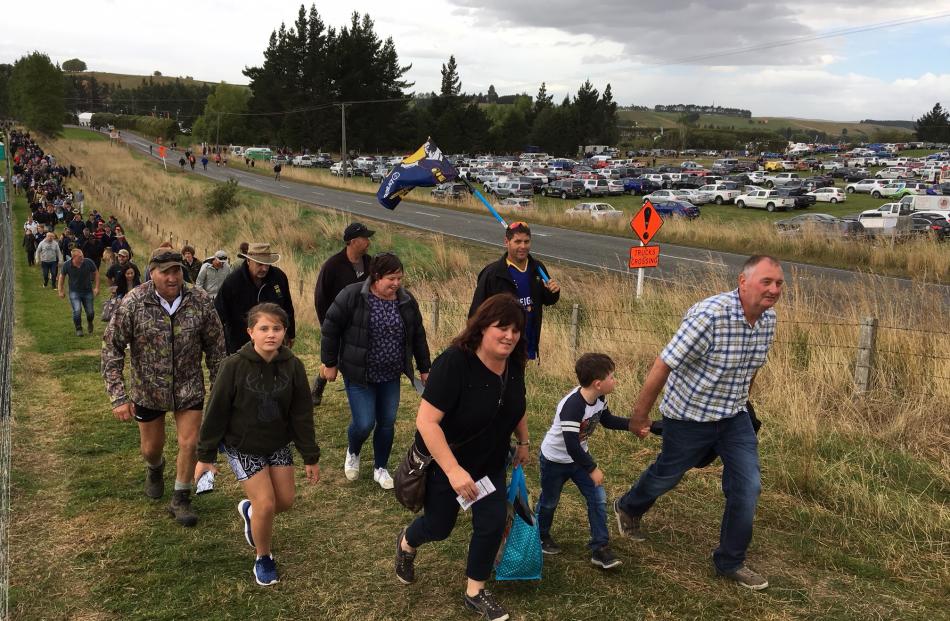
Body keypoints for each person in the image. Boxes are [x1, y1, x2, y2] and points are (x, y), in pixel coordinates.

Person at [614, 255, 784, 591]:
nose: (774, 289)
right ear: (743, 281)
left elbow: (752, 368)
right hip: (689, 417)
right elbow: (663, 364)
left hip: (733, 417)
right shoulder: (710, 316)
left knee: (747, 486)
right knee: (667, 476)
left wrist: (743, 405)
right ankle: (629, 507)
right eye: (766, 281)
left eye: (779, 283)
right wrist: (639, 416)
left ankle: (730, 561)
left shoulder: (768, 320)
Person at [395, 294, 530, 621]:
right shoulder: (454, 363)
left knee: (492, 522)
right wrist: (454, 470)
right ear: (482, 327)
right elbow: (426, 422)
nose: (509, 336)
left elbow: (514, 405)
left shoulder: (514, 363)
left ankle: (475, 591)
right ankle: (406, 545)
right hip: (448, 464)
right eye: (502, 328)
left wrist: (524, 440)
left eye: (515, 329)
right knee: (439, 527)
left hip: (490, 463)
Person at [194, 303, 320, 586]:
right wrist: (206, 455)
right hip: (242, 445)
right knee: (266, 504)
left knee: (284, 502)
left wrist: (310, 456)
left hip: (277, 444)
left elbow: (302, 414)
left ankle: (250, 513)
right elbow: (216, 412)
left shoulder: (293, 366)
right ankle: (263, 557)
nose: (271, 334)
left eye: (277, 328)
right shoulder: (233, 366)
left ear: (285, 332)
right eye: (264, 328)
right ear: (251, 332)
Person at [101, 248, 226, 527]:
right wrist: (119, 395)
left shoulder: (200, 300)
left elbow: (216, 347)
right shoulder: (135, 302)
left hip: (188, 387)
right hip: (148, 390)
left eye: (177, 271)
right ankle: (155, 469)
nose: (172, 277)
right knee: (151, 447)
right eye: (165, 272)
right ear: (152, 273)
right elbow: (112, 347)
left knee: (189, 441)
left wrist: (220, 387)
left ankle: (181, 497)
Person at [320, 253, 430, 489]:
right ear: (376, 277)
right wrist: (329, 362)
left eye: (400, 278)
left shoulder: (406, 300)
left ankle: (381, 468)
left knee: (387, 422)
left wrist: (424, 368)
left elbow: (418, 335)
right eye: (391, 278)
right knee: (364, 423)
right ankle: (353, 451)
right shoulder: (352, 295)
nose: (396, 284)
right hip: (360, 373)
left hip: (391, 374)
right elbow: (330, 328)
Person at [536, 353, 631, 569]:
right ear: (598, 383)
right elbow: (571, 445)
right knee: (549, 501)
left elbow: (607, 420)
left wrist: (632, 425)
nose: (615, 381)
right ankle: (540, 536)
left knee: (597, 498)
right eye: (612, 377)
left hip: (578, 459)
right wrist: (592, 468)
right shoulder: (572, 406)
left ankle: (600, 548)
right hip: (555, 460)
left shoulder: (598, 398)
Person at [469, 221, 560, 361]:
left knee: (517, 381)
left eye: (526, 241)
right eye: (517, 241)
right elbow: (475, 313)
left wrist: (553, 292)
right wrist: (476, 346)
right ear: (507, 242)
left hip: (526, 344)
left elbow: (547, 300)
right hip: (499, 346)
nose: (523, 246)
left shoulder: (537, 268)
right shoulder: (492, 273)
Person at [311, 222, 374, 405]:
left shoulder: (370, 263)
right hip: (338, 322)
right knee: (336, 358)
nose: (368, 241)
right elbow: (320, 298)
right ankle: (319, 383)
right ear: (353, 242)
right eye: (365, 238)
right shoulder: (333, 265)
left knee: (358, 357)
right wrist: (327, 325)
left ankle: (363, 390)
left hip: (363, 322)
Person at [215, 243, 295, 355]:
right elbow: (219, 313)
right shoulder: (233, 282)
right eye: (260, 264)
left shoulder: (279, 277)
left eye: (267, 264)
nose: (265, 268)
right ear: (248, 261)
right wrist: (221, 342)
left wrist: (290, 334)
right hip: (241, 344)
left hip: (272, 342)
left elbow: (287, 307)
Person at [58, 248, 100, 336]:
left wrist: (96, 287)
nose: (82, 258)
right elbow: (61, 277)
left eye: (82, 256)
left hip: (88, 291)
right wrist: (60, 290)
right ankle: (78, 328)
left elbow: (96, 272)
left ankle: (90, 322)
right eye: (80, 257)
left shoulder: (88, 262)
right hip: (74, 292)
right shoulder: (67, 265)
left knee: (90, 312)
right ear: (74, 257)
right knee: (77, 310)